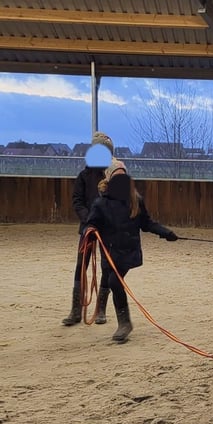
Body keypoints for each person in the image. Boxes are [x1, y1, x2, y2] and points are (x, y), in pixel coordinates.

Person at [84, 166, 178, 343]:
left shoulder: (136, 200)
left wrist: (165, 233)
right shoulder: (100, 204)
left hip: (128, 251)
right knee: (108, 278)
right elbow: (91, 224)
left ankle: (124, 323)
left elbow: (146, 223)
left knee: (113, 281)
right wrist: (89, 231)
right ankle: (104, 311)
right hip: (109, 251)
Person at [62, 131, 117, 326]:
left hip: (107, 229)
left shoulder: (113, 176)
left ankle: (101, 309)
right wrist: (88, 220)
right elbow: (77, 201)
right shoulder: (83, 176)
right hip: (87, 228)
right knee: (81, 266)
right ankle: (76, 310)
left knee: (107, 266)